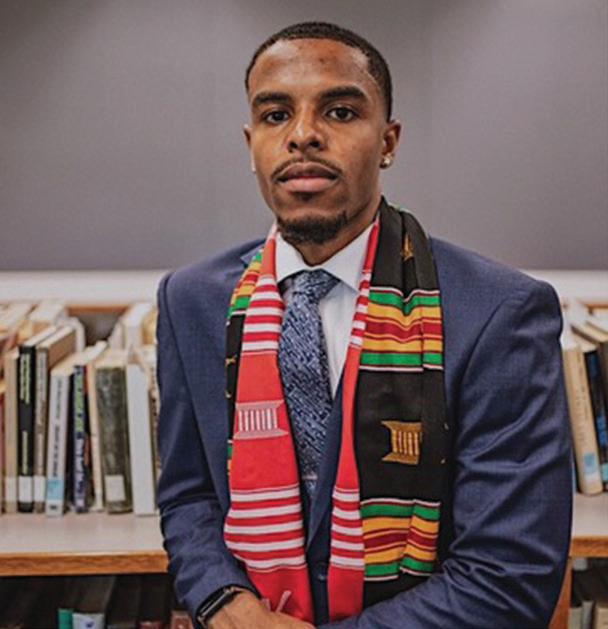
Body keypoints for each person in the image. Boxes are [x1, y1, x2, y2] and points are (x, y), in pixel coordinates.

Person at [156, 21, 572, 629]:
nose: (303, 135)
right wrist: (226, 603)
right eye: (275, 115)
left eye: (341, 112)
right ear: (251, 144)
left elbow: (509, 577)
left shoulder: (499, 313)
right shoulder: (190, 301)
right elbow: (189, 495)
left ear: (388, 142)